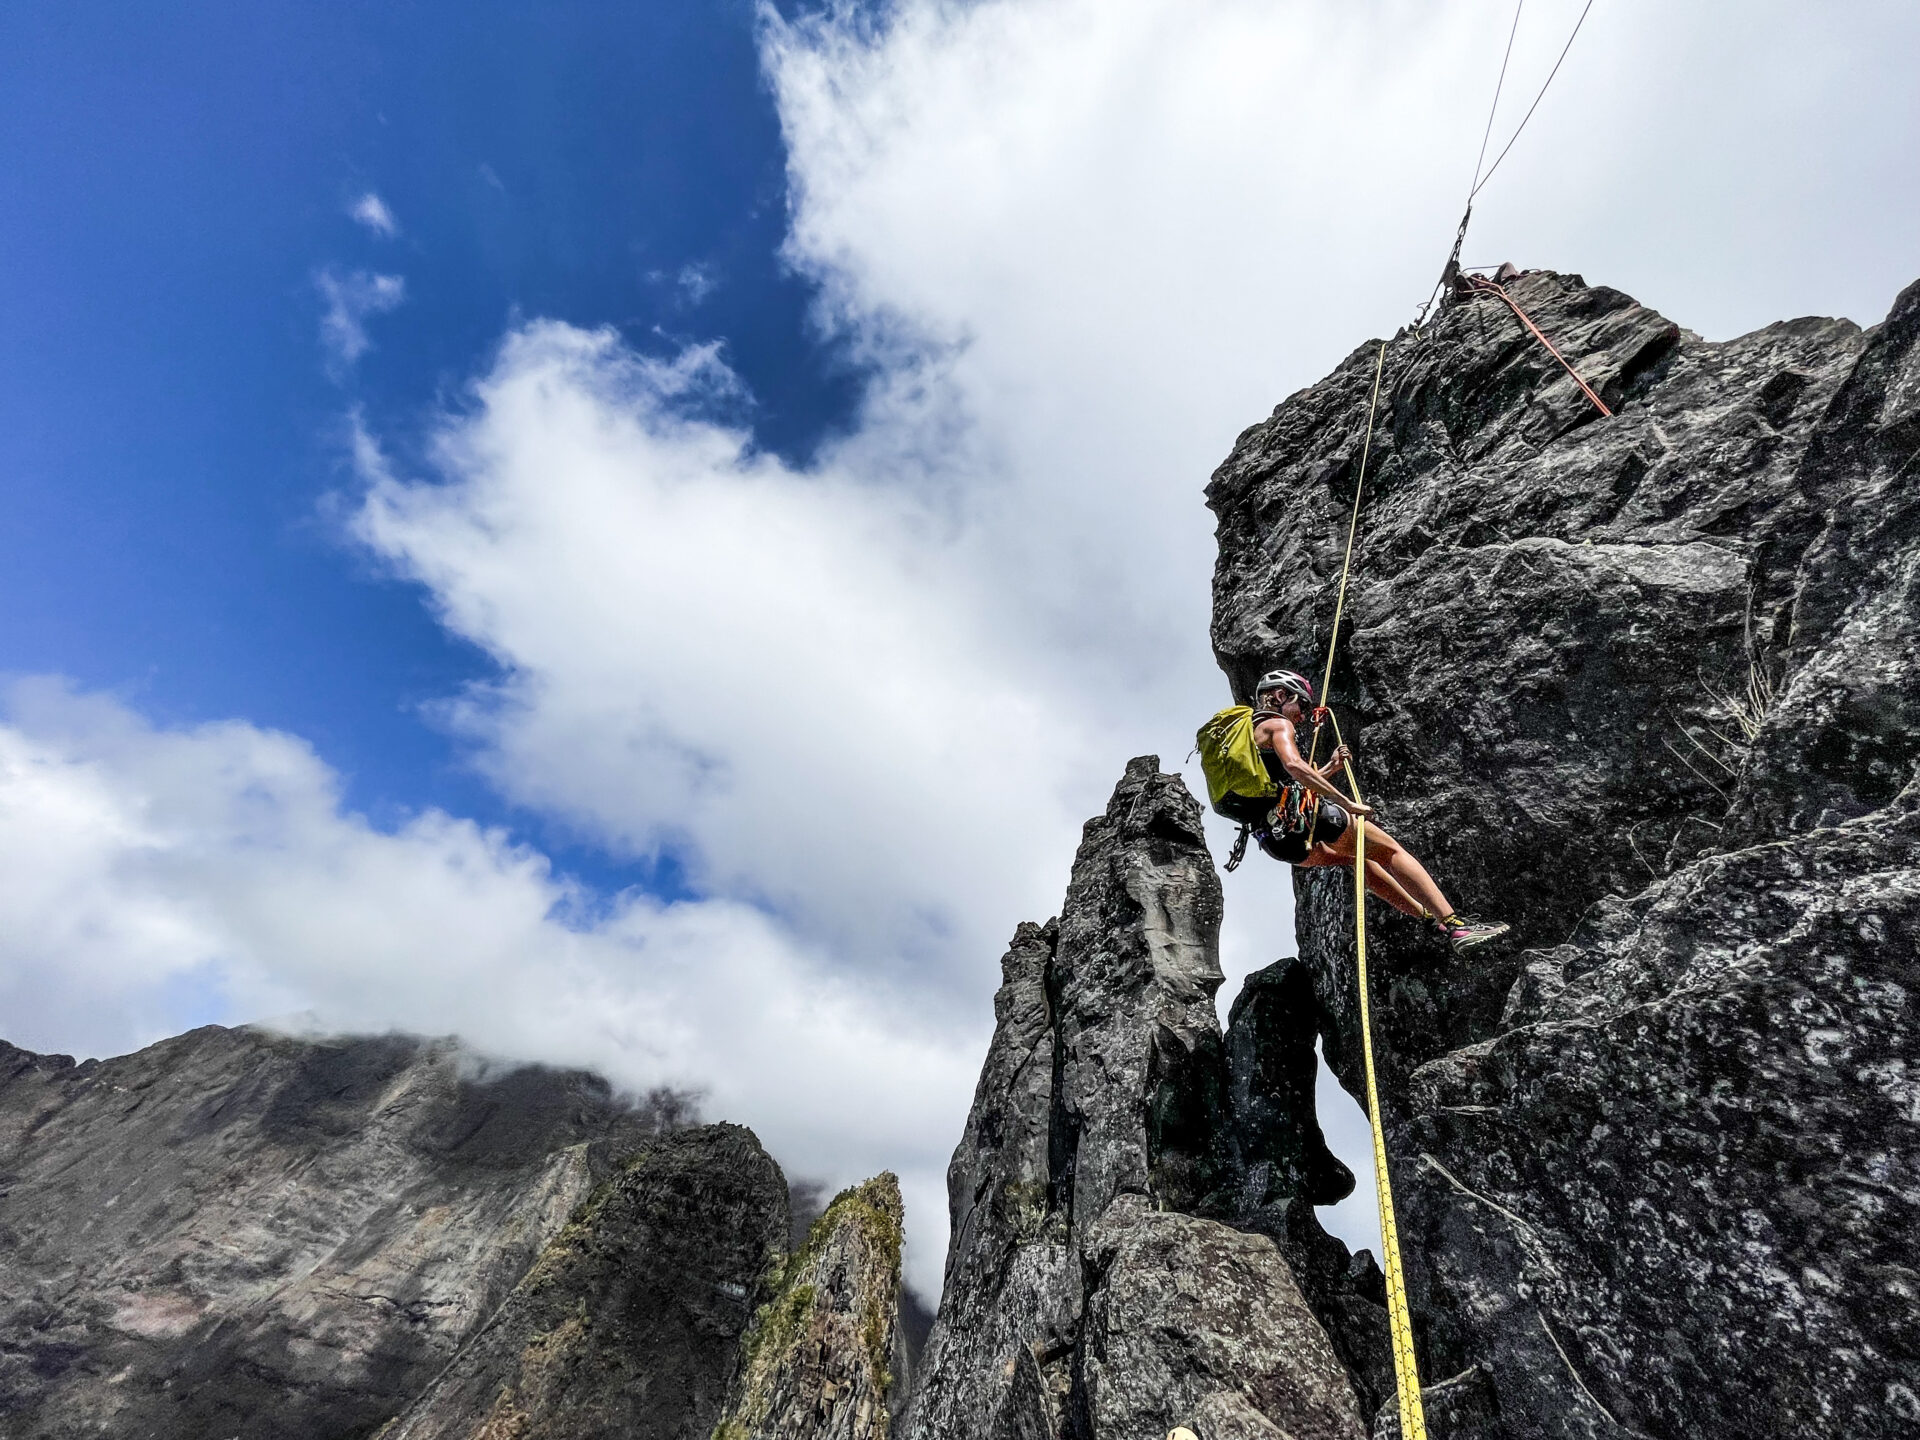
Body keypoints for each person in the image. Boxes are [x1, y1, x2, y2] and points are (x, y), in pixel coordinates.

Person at [1239, 668, 1509, 954]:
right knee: (1390, 852)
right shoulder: (1278, 725)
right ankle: (1455, 924)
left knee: (1357, 860)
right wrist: (1346, 802)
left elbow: (1286, 785)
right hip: (1305, 823)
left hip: (1276, 842)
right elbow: (1295, 766)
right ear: (1281, 695)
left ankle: (1429, 919)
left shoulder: (1247, 737)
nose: (1303, 716)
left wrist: (1330, 768)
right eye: (1301, 705)